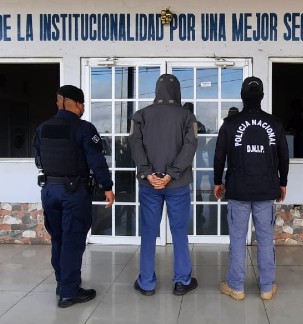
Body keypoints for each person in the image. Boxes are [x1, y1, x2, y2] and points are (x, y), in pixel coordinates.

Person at [34, 85, 115, 308]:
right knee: (73, 240)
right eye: (83, 104)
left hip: (49, 190)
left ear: (59, 102)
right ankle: (69, 293)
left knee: (58, 238)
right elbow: (96, 161)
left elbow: (38, 160)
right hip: (74, 191)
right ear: (77, 104)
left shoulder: (43, 128)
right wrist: (107, 187)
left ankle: (62, 282)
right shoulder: (84, 129)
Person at [213, 76, 289, 301]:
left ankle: (236, 287)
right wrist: (282, 182)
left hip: (238, 190)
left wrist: (218, 181)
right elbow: (284, 155)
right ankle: (267, 288)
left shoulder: (230, 124)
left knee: (237, 238)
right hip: (266, 189)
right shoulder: (274, 123)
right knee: (265, 238)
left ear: (242, 97)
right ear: (262, 97)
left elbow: (219, 156)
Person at [128, 74, 199, 296]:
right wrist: (171, 175)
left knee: (149, 232)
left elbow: (134, 144)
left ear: (156, 91)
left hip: (150, 186)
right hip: (177, 185)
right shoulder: (188, 116)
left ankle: (147, 283)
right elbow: (190, 147)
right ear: (177, 90)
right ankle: (181, 281)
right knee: (179, 232)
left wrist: (149, 174)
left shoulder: (141, 115)